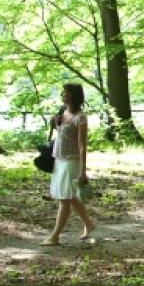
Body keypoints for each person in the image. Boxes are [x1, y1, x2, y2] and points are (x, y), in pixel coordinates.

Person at [42, 83, 95, 245]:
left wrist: (82, 171)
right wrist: (54, 123)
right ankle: (89, 224)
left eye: (65, 93)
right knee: (69, 197)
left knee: (65, 198)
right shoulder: (61, 112)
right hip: (59, 160)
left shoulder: (80, 118)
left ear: (72, 95)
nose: (62, 95)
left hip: (71, 161)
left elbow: (82, 145)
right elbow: (60, 136)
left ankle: (55, 236)